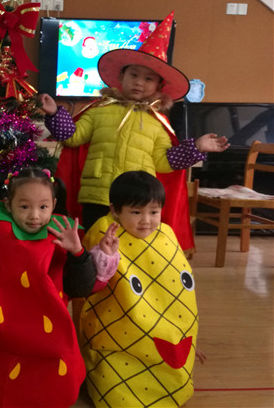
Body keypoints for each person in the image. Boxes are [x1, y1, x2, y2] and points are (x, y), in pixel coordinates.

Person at [40, 11, 229, 249]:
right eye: (134, 74)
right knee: (93, 245)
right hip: (97, 195)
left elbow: (163, 162)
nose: (139, 82)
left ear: (159, 86)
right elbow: (72, 138)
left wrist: (197, 147)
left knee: (131, 250)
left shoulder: (157, 123)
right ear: (121, 76)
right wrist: (54, 113)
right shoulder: (99, 111)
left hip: (136, 201)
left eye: (149, 79)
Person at [0, 167, 120, 408]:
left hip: (49, 334)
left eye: (43, 207)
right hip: (1, 330)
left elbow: (81, 288)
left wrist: (77, 253)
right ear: (8, 203)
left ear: (53, 204)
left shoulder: (62, 232)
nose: (34, 216)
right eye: (24, 207)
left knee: (60, 380)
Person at [79, 171, 205, 408]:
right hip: (120, 335)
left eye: (154, 212)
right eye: (136, 212)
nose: (146, 220)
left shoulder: (166, 234)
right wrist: (106, 254)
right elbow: (92, 281)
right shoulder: (106, 233)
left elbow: (178, 292)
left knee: (173, 382)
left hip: (164, 334)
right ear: (115, 210)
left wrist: (184, 334)